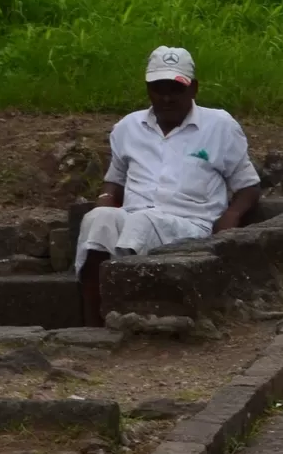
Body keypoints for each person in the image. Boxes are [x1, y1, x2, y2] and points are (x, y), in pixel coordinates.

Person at [74, 47, 261, 325]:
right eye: (158, 89)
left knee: (141, 223)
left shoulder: (219, 126)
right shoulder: (128, 127)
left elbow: (248, 185)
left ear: (193, 89)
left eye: (175, 89)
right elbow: (115, 180)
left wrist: (231, 216)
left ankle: (130, 316)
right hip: (135, 216)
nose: (166, 97)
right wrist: (105, 198)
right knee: (98, 219)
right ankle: (92, 323)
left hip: (190, 223)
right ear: (148, 89)